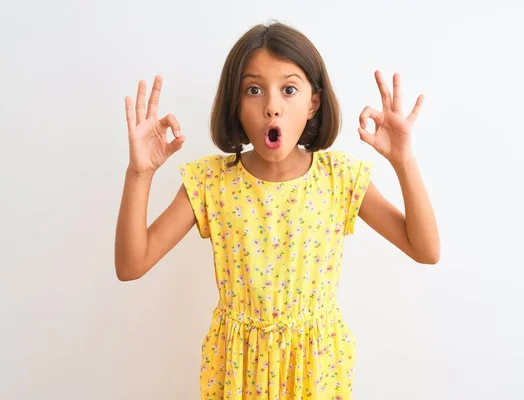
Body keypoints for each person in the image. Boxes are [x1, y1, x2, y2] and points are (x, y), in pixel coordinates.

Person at [115, 21, 439, 400]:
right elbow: (130, 265)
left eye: (289, 89)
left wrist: (404, 160)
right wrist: (139, 173)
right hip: (236, 371)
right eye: (254, 90)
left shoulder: (340, 177)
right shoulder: (210, 183)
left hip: (317, 370)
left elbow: (425, 249)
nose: (272, 107)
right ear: (235, 104)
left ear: (313, 103)